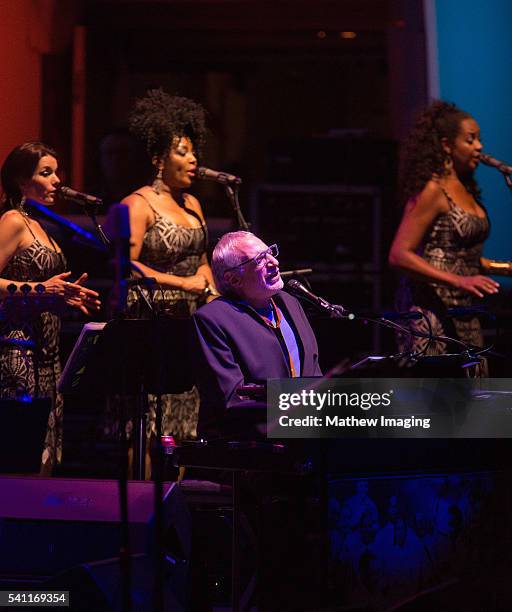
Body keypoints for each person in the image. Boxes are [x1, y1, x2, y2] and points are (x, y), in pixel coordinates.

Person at [113, 88, 217, 443]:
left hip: (188, 323)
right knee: (147, 427)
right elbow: (127, 266)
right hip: (151, 321)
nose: (193, 160)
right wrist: (182, 283)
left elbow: (202, 259)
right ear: (159, 159)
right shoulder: (138, 204)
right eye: (182, 152)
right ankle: (141, 496)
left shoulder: (193, 204)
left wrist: (209, 288)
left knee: (184, 423)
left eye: (193, 151)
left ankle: (173, 497)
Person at [389, 100, 512, 373]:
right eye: (470, 140)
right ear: (447, 145)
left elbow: (461, 256)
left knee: (474, 388)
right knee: (441, 402)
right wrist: (459, 280)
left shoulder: (465, 188)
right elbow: (400, 254)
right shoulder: (433, 190)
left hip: (463, 307)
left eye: (479, 140)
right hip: (431, 311)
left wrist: (508, 268)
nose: (479, 147)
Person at [0, 142, 101, 474]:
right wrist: (43, 288)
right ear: (20, 180)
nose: (57, 180)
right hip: (17, 351)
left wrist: (65, 296)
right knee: (20, 457)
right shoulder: (13, 221)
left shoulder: (43, 226)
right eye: (46, 173)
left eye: (57, 172)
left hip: (48, 355)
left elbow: (45, 290)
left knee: (45, 457)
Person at [193, 231, 322, 437]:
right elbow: (232, 399)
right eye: (260, 259)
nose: (274, 262)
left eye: (270, 252)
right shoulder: (213, 319)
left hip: (303, 437)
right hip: (246, 447)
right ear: (233, 279)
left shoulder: (290, 303)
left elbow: (314, 376)